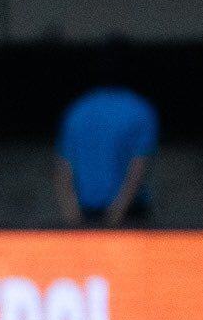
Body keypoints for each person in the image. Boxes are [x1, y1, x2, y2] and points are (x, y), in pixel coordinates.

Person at [55, 81, 158, 226]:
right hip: (128, 215)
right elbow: (138, 170)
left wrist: (73, 219)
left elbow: (64, 171)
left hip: (87, 213)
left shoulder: (78, 109)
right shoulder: (140, 109)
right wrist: (115, 216)